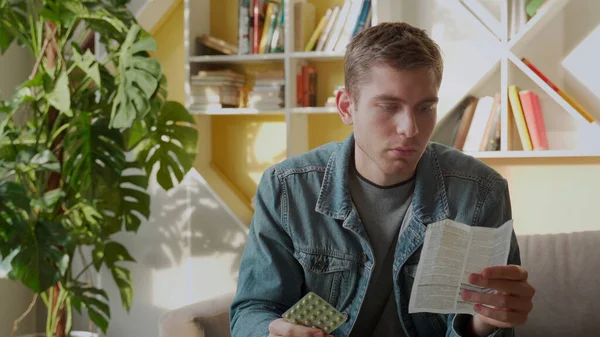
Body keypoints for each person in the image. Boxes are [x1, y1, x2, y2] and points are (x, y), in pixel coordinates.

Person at [230, 22, 535, 337]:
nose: (410, 128)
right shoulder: (287, 188)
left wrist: (484, 322)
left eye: (425, 108)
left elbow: (489, 325)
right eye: (389, 107)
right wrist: (273, 331)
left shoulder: (481, 193)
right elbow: (252, 310)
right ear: (347, 107)